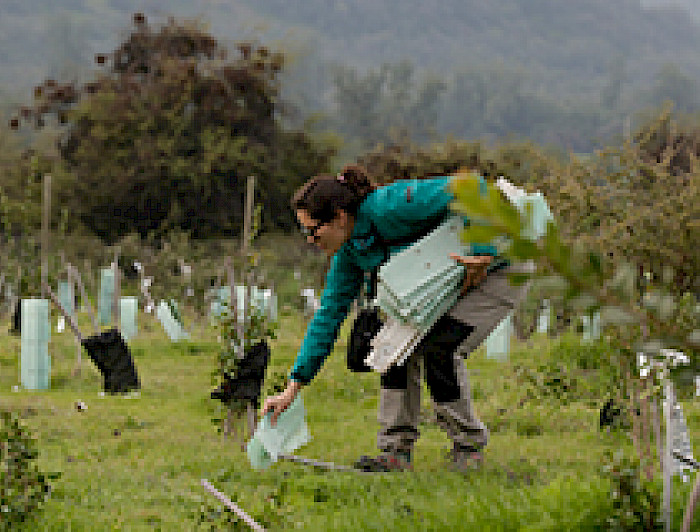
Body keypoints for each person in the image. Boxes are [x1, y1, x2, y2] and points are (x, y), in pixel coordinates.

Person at [262, 165, 527, 472]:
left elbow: (472, 186)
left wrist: (482, 255)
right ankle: (395, 452)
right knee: (392, 351)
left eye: (313, 230)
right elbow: (328, 316)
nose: (309, 239)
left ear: (339, 216)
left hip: (501, 269)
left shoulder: (390, 205)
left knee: (441, 350)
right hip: (445, 282)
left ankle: (468, 448)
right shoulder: (349, 254)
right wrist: (292, 389)